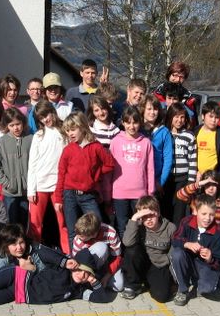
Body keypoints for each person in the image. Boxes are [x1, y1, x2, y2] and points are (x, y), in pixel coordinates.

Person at [0, 247, 113, 309]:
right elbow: (41, 252)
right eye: (80, 270)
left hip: (15, 294)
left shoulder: (77, 291)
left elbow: (102, 298)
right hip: (14, 276)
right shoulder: (61, 267)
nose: (82, 275)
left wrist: (94, 282)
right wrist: (64, 261)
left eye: (87, 274)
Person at [54, 111, 115, 252]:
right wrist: (58, 199)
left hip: (88, 195)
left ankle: (99, 256)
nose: (70, 133)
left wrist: (95, 175)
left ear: (82, 127)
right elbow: (61, 174)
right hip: (69, 195)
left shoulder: (95, 146)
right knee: (72, 231)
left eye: (73, 129)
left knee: (97, 226)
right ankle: (75, 260)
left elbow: (110, 164)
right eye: (67, 130)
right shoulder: (68, 150)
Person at [170, 195, 220, 306]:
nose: (207, 218)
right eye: (204, 214)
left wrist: (210, 258)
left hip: (204, 266)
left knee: (206, 289)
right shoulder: (186, 222)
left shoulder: (217, 232)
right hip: (188, 261)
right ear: (196, 211)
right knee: (177, 254)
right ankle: (182, 289)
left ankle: (198, 282)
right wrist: (187, 244)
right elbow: (175, 239)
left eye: (211, 214)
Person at [27, 102, 68, 250]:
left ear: (52, 111)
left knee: (63, 223)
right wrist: (31, 190)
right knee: (35, 223)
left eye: (46, 115)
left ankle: (68, 253)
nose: (45, 119)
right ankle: (35, 253)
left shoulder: (65, 132)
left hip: (59, 185)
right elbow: (32, 164)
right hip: (40, 185)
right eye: (41, 118)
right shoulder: (38, 136)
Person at [109, 106, 155, 240]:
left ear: (140, 122)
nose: (131, 126)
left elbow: (150, 168)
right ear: (123, 123)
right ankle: (124, 252)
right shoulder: (116, 141)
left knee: (139, 226)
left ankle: (138, 252)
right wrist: (107, 191)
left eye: (135, 122)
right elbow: (109, 169)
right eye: (128, 122)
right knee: (122, 226)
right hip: (119, 192)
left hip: (139, 193)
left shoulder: (146, 142)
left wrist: (150, 191)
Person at [121, 196, 176, 302]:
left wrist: (172, 277)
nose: (149, 219)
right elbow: (127, 242)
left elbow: (173, 254)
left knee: (162, 297)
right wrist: (134, 218)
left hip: (158, 265)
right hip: (142, 262)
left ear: (158, 213)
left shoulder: (170, 228)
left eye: (151, 215)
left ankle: (148, 282)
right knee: (131, 251)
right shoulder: (138, 226)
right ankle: (133, 286)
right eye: (144, 216)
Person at [0, 108, 32, 227]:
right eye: (11, 125)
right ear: (6, 126)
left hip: (27, 191)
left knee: (25, 222)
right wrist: (6, 183)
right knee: (11, 223)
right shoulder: (2, 142)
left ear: (23, 122)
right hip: (10, 192)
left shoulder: (31, 139)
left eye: (18, 124)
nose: (15, 128)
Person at [71, 212, 124, 292]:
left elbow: (117, 257)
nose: (78, 236)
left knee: (119, 286)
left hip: (108, 264)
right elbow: (77, 262)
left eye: (81, 236)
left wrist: (107, 276)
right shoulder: (77, 239)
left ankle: (101, 280)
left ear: (93, 234)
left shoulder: (110, 232)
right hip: (88, 268)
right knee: (101, 248)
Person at [164, 102, 197, 224]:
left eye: (182, 117)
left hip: (182, 179)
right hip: (167, 178)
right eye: (176, 116)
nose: (179, 120)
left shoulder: (189, 136)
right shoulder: (165, 133)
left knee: (180, 210)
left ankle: (178, 232)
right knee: (166, 208)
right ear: (170, 116)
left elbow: (193, 159)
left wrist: (191, 181)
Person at [176, 170, 220, 238]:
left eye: (214, 185)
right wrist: (199, 184)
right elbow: (180, 194)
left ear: (218, 186)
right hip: (195, 239)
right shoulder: (197, 200)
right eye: (208, 185)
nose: (211, 188)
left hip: (215, 241)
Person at [194, 100, 220, 181]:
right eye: (210, 116)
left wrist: (218, 175)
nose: (213, 120)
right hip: (197, 178)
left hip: (214, 180)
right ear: (203, 116)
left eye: (217, 117)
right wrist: (195, 172)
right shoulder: (195, 131)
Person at [141, 95, 173, 195]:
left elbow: (168, 159)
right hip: (138, 180)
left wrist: (160, 181)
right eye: (149, 109)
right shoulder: (136, 129)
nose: (152, 112)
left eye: (155, 109)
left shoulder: (164, 132)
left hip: (156, 181)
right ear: (143, 109)